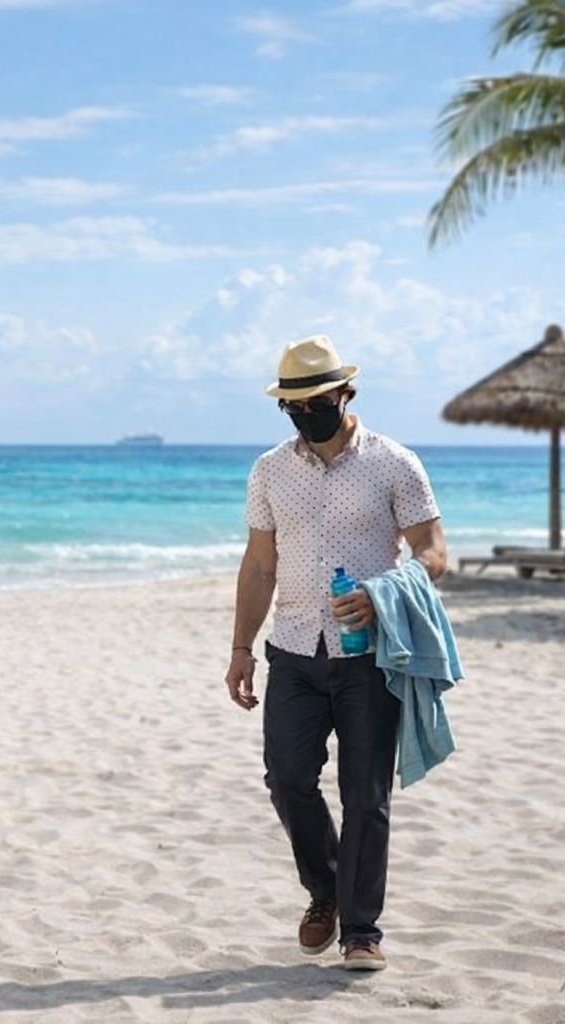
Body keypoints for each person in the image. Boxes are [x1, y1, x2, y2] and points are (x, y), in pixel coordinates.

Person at [225, 334, 446, 972]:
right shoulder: (269, 470)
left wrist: (383, 596)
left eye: (316, 403)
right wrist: (241, 647)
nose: (305, 415)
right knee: (288, 779)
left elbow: (433, 552)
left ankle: (361, 930)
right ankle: (325, 891)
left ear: (346, 394)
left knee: (365, 794)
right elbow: (259, 565)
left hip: (370, 656)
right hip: (293, 649)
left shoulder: (395, 463)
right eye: (292, 407)